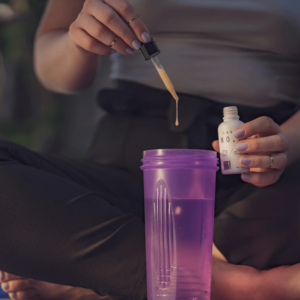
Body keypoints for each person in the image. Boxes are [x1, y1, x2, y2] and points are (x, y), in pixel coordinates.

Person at [1, 0, 300, 299]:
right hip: (129, 167)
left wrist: (281, 143)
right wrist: (78, 43)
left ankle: (106, 278)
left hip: (259, 175)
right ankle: (237, 285)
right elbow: (52, 62)